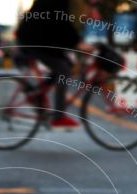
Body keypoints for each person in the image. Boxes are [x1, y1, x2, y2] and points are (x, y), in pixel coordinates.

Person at [16, 0, 95, 129]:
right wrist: (77, 43)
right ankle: (59, 117)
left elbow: (60, 23)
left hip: (41, 37)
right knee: (63, 70)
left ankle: (36, 94)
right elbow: (61, 22)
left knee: (66, 65)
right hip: (35, 39)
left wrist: (76, 42)